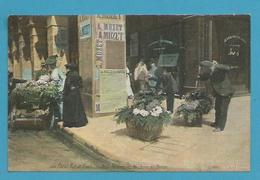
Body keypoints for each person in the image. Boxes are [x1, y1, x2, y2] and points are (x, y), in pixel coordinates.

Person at [198, 60, 236, 132]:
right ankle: (216, 123)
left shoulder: (219, 69)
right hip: (218, 92)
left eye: (202, 68)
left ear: (208, 67)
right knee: (217, 108)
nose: (202, 69)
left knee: (222, 110)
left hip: (225, 92)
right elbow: (204, 77)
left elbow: (227, 67)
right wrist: (200, 75)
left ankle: (220, 127)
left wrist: (215, 65)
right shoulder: (209, 71)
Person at [63, 63, 88, 127]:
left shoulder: (69, 75)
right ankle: (80, 122)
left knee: (70, 108)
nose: (66, 69)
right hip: (76, 94)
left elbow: (67, 85)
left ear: (69, 69)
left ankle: (71, 123)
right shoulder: (77, 74)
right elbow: (80, 84)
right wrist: (76, 87)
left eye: (67, 68)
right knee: (77, 108)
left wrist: (69, 89)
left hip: (70, 94)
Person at [46, 55, 66, 125]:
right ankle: (58, 116)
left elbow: (64, 79)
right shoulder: (52, 71)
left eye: (51, 65)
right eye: (49, 65)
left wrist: (61, 88)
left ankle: (63, 118)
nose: (50, 66)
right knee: (56, 104)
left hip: (59, 90)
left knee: (61, 104)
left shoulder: (58, 70)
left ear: (53, 64)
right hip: (54, 90)